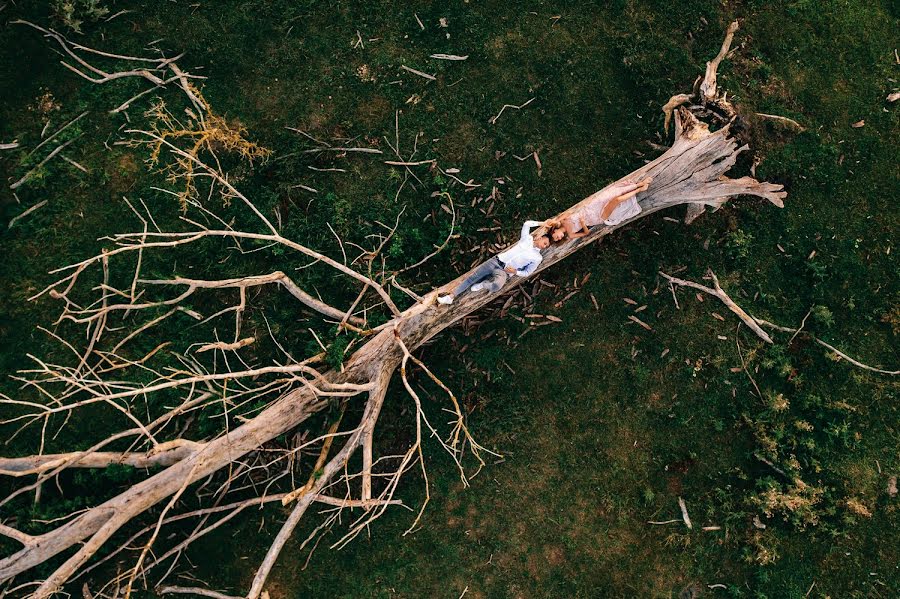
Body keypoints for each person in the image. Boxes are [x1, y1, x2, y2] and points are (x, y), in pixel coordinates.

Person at [437, 220, 549, 305]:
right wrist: (542, 223)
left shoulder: (537, 257)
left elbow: (528, 272)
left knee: (496, 286)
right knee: (472, 278)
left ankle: (482, 284)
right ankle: (450, 297)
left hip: (505, 271)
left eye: (546, 246)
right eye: (544, 242)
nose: (544, 246)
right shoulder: (527, 239)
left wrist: (515, 271)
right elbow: (527, 224)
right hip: (496, 261)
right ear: (540, 237)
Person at [547, 177, 652, 242]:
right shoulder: (570, 234)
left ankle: (639, 184)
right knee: (616, 200)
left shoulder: (562, 220)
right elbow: (586, 233)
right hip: (596, 218)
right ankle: (639, 190)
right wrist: (583, 224)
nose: (559, 238)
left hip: (591, 207)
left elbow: (567, 213)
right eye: (558, 240)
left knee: (611, 193)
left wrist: (554, 222)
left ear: (554, 231)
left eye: (556, 237)